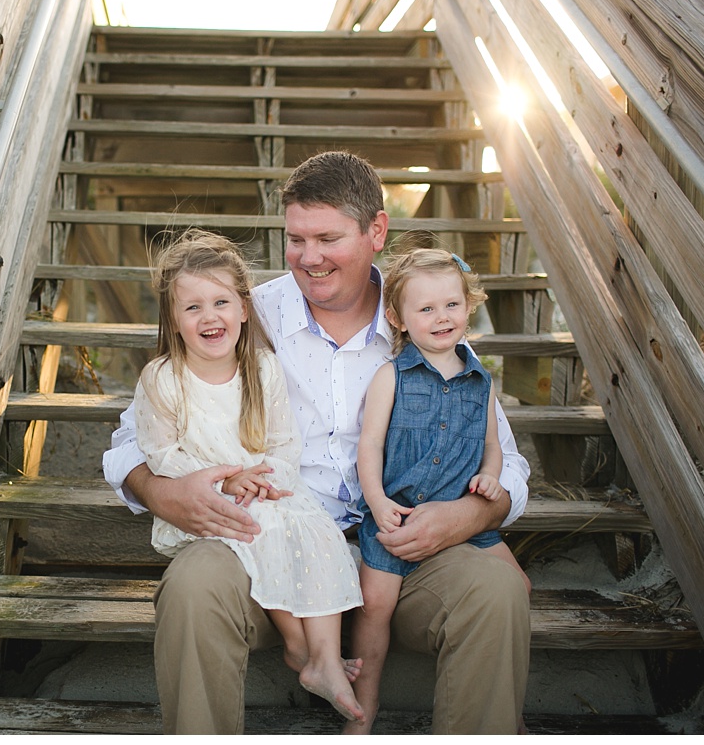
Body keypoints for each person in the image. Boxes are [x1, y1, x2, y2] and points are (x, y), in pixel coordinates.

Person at [104, 151, 531, 734]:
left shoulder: (425, 319)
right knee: (194, 584)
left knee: (497, 589)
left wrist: (466, 515)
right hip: (268, 550)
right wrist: (160, 491)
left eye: (327, 238)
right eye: (295, 239)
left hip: (403, 560)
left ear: (376, 231)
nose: (309, 257)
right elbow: (132, 434)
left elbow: (507, 461)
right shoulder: (248, 314)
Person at [132, 228, 365, 722]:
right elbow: (160, 453)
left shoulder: (261, 367)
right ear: (173, 320)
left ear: (243, 307)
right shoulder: (163, 379)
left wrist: (261, 479)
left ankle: (323, 657)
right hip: (214, 503)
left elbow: (284, 443)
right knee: (259, 530)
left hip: (268, 487)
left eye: (220, 302)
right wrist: (223, 481)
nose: (208, 316)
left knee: (318, 532)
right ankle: (300, 647)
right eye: (191, 308)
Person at [347, 241, 532, 735]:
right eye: (426, 308)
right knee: (374, 609)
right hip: (397, 517)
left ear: (468, 305)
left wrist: (489, 480)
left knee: (519, 588)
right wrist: (378, 502)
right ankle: (363, 709)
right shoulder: (391, 377)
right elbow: (368, 449)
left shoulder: (480, 380)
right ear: (400, 318)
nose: (441, 317)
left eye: (451, 304)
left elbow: (494, 445)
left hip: (462, 526)